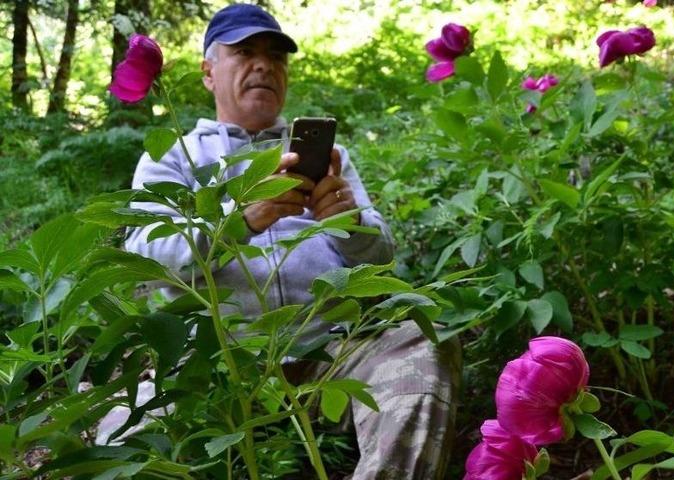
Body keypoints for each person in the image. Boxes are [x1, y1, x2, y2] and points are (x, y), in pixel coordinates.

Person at [122, 4, 461, 479]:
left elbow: (380, 255)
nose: (263, 64)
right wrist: (237, 222)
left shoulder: (328, 154)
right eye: (244, 52)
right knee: (122, 433)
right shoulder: (175, 155)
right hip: (222, 372)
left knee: (420, 345)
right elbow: (143, 255)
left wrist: (348, 222)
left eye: (276, 56)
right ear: (207, 72)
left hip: (335, 359)